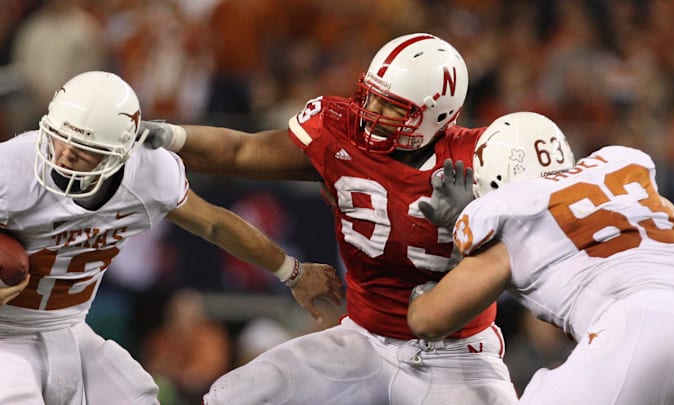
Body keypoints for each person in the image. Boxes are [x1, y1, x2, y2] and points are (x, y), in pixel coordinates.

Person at [141, 33, 518, 404]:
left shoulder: (485, 159)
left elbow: (538, 258)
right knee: (232, 396)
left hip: (456, 353)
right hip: (364, 337)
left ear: (437, 114)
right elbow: (241, 151)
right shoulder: (341, 130)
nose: (373, 112)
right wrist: (174, 136)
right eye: (372, 96)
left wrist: (474, 223)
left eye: (393, 108)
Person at [0, 71, 342, 405]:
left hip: (71, 326)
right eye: (59, 136)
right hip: (5, 333)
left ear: (121, 149)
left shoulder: (148, 172)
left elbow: (215, 224)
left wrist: (291, 272)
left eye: (84, 147)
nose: (63, 154)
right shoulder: (12, 168)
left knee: (138, 395)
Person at [407, 111, 674, 404]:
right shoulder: (629, 187)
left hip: (639, 327)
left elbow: (429, 320)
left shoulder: (515, 218)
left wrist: (425, 287)